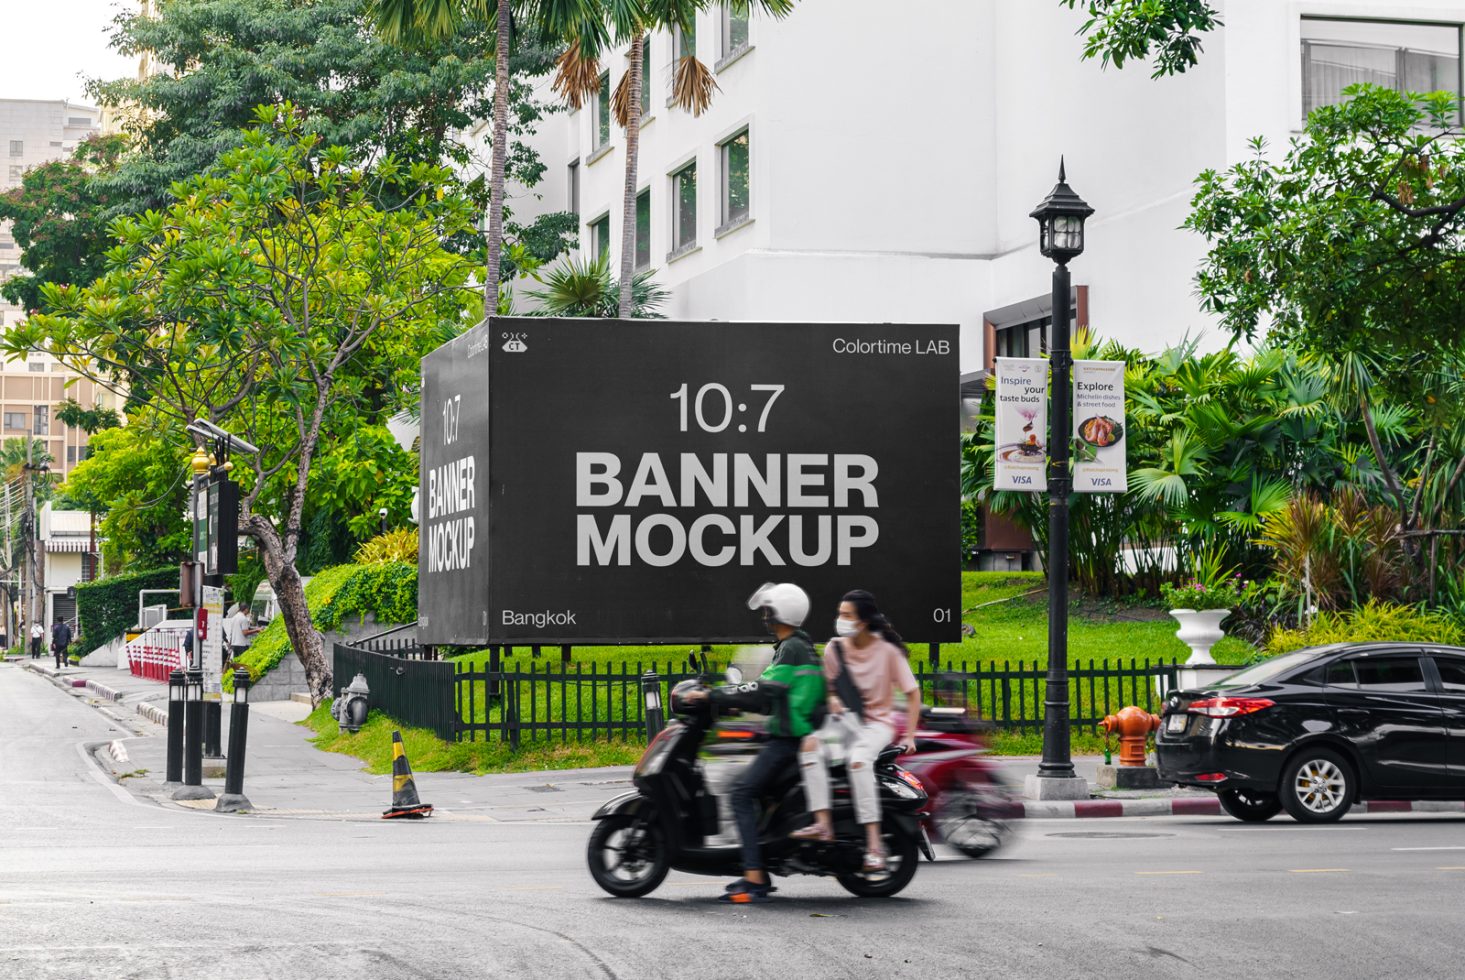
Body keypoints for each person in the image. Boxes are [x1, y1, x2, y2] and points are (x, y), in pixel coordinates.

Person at [690, 582, 825, 905]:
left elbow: (764, 690)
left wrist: (712, 695)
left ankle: (754, 875)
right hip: (789, 736)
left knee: (740, 793)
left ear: (782, 614)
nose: (765, 617)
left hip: (790, 741)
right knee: (750, 790)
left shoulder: (792, 648)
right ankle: (760, 860)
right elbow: (771, 694)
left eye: (769, 612)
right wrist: (737, 701)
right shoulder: (794, 645)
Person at [790, 589, 921, 874]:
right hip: (845, 723)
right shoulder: (834, 649)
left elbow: (913, 693)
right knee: (810, 747)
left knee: (859, 761)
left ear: (862, 621)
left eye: (847, 615)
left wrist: (909, 735)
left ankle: (875, 846)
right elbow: (829, 689)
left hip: (877, 726)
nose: (840, 620)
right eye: (840, 614)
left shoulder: (887, 652)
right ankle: (823, 824)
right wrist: (833, 699)